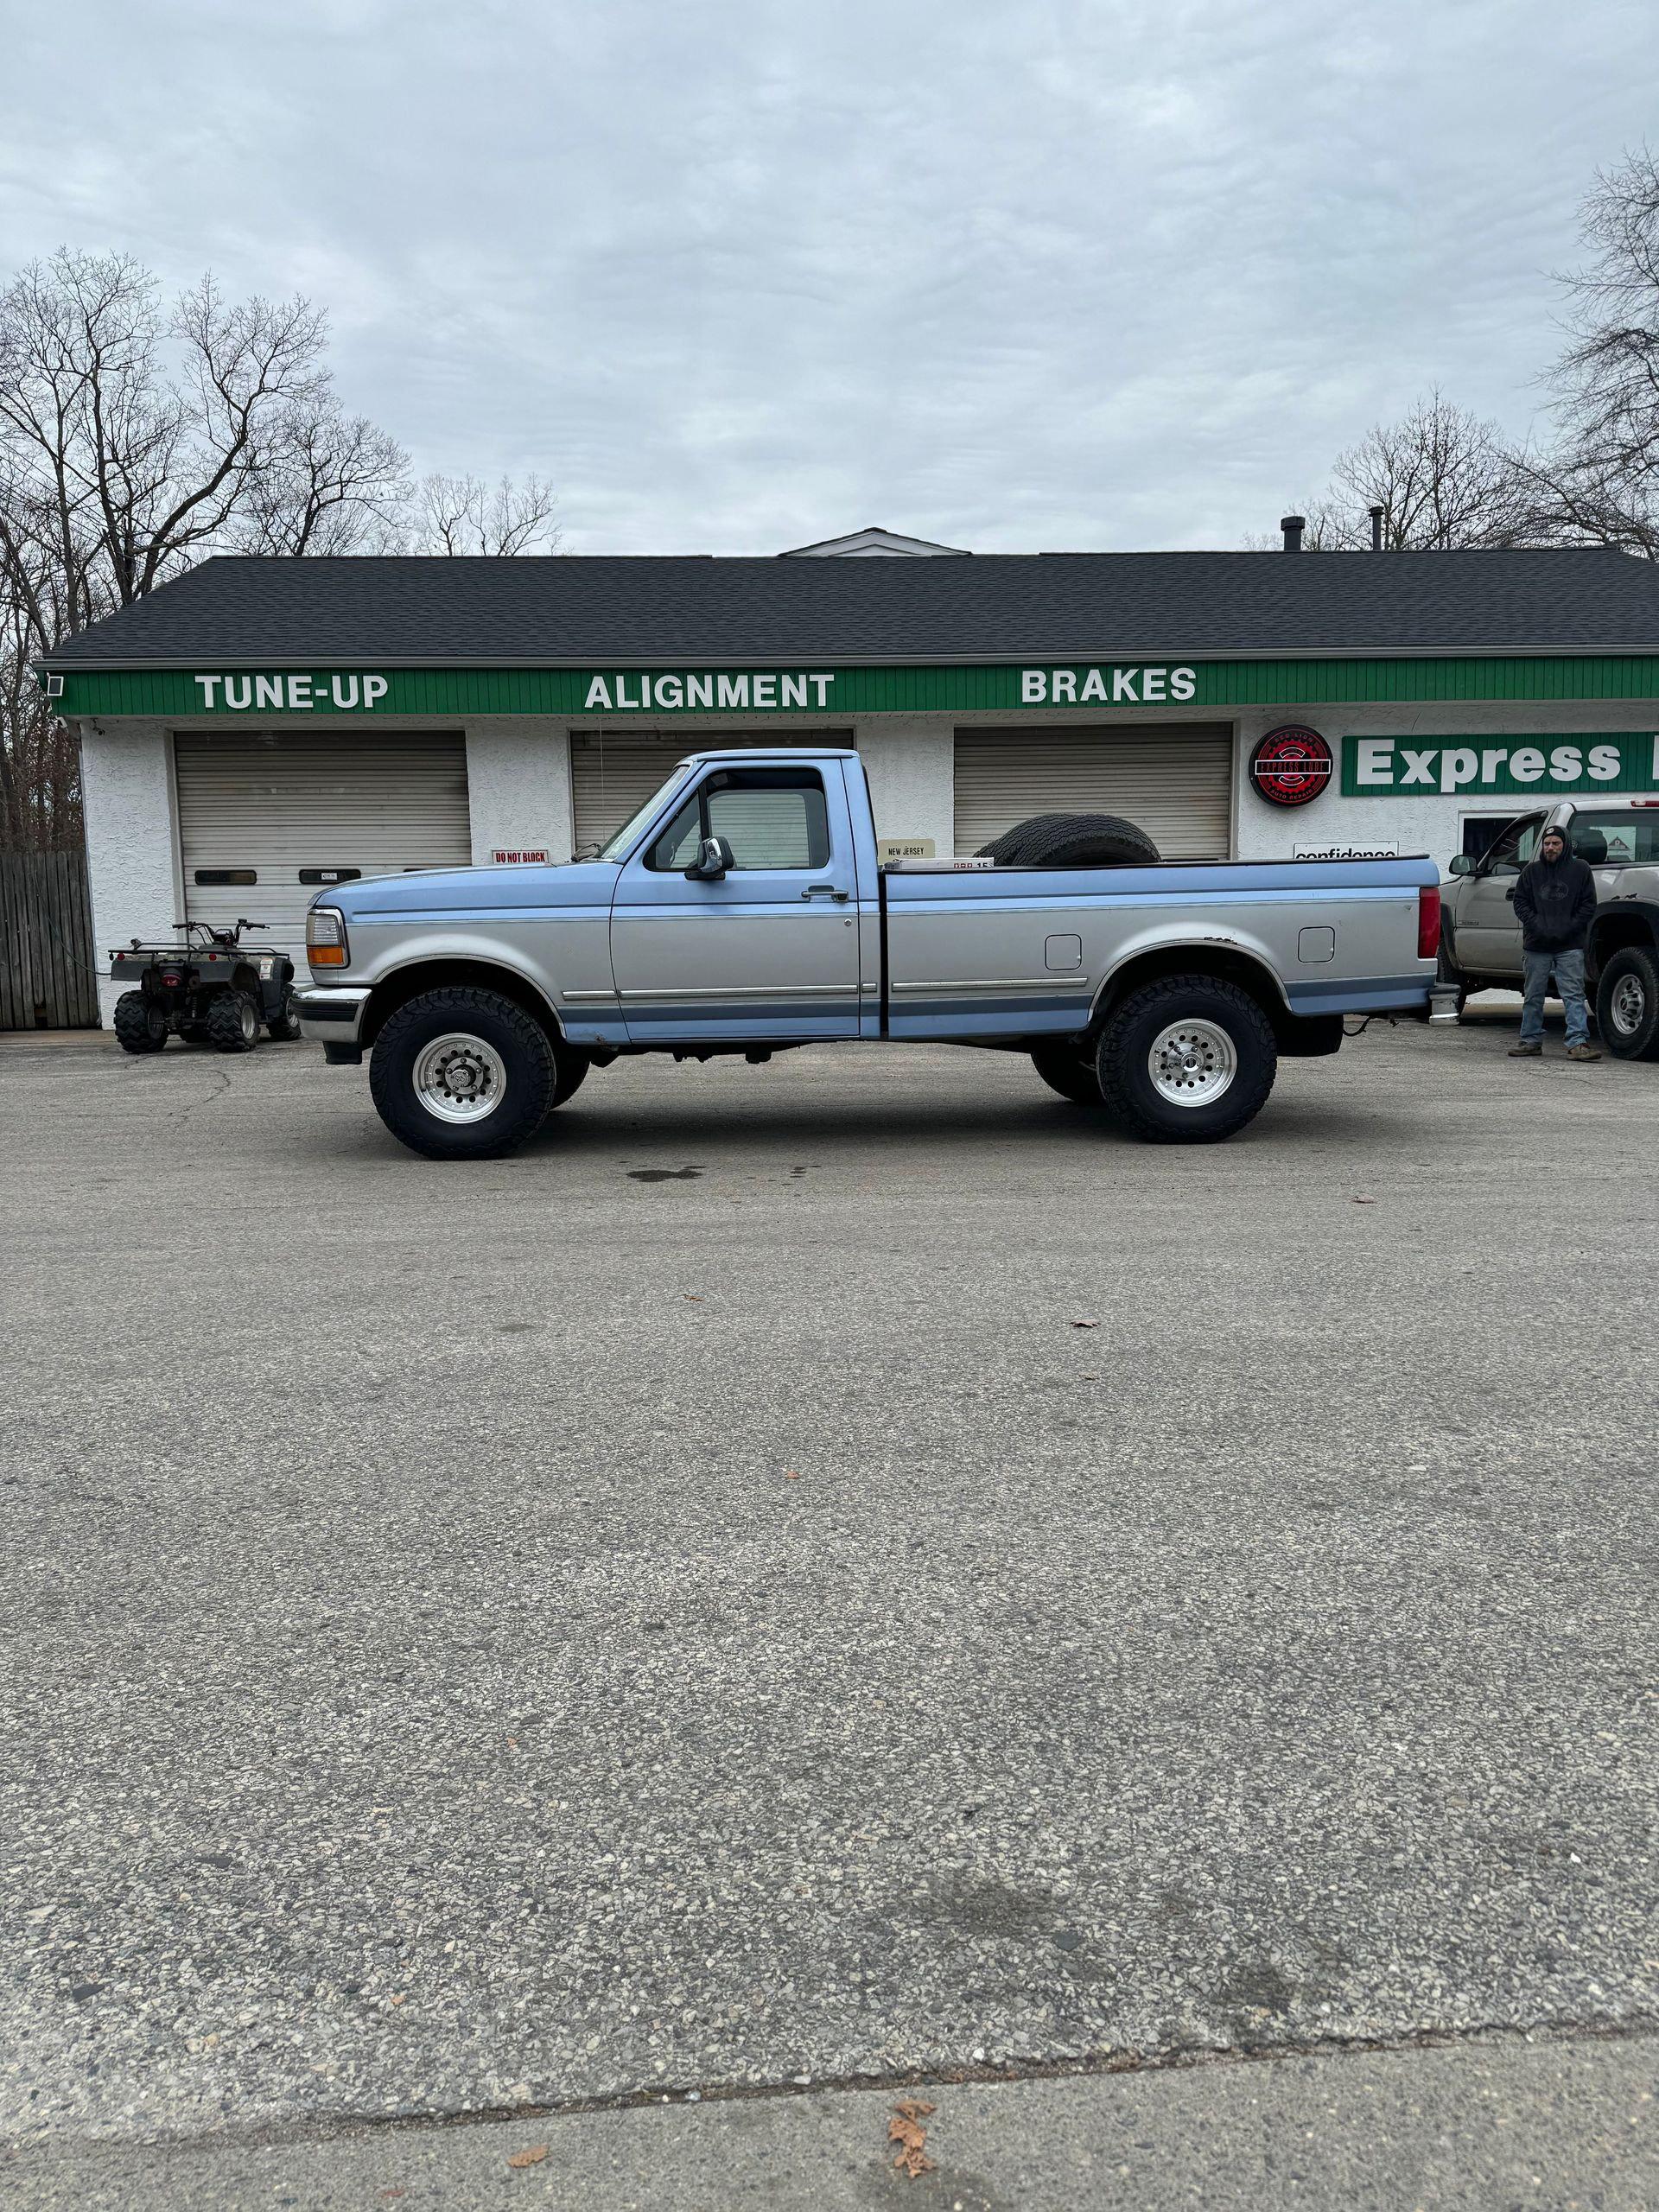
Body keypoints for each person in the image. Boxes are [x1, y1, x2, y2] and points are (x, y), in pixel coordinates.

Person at [1509, 823, 1600, 1060]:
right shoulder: (1531, 872)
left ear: (1565, 845)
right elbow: (1520, 903)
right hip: (1536, 945)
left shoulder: (1580, 869)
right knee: (1533, 995)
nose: (1550, 848)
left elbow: (1588, 904)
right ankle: (1530, 1041)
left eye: (1556, 843)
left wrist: (1569, 928)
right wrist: (1538, 926)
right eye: (1547, 844)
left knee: (1574, 994)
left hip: (1569, 945)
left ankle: (1577, 1043)